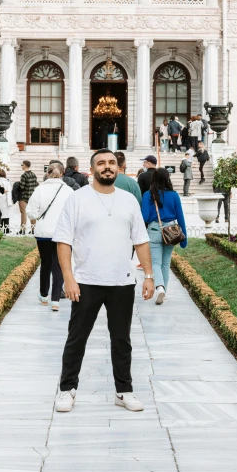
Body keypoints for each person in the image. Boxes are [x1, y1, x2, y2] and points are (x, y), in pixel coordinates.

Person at [53, 148, 155, 413]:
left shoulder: (129, 200)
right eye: (101, 163)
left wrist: (149, 276)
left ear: (118, 168)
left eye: (111, 163)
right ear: (92, 169)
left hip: (122, 282)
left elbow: (141, 240)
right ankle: (67, 390)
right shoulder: (77, 199)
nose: (107, 167)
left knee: (122, 341)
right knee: (77, 339)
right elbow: (63, 241)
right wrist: (68, 278)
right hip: (86, 281)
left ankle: (124, 391)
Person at [27, 165, 74, 311]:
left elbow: (32, 213)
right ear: (62, 173)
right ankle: (55, 300)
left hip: (44, 233)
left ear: (47, 173)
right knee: (59, 265)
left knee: (46, 263)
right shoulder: (68, 191)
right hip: (63, 233)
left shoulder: (40, 189)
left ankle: (44, 295)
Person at [141, 167, 187, 304]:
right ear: (168, 179)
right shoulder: (174, 195)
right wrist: (185, 237)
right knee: (166, 263)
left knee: (155, 262)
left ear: (153, 179)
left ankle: (159, 288)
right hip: (171, 232)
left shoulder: (148, 195)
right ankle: (163, 291)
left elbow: (145, 217)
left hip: (155, 230)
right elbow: (181, 217)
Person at [18, 160, 38, 233]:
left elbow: (22, 187)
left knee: (23, 213)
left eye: (22, 165)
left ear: (25, 166)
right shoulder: (33, 175)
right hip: (32, 197)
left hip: (24, 197)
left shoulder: (24, 175)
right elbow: (36, 185)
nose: (21, 166)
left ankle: (22, 229)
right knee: (32, 213)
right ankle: (33, 229)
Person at [0, 170, 12, 234]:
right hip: (5, 202)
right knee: (5, 216)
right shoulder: (7, 182)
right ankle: (6, 230)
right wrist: (9, 203)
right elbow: (9, 193)